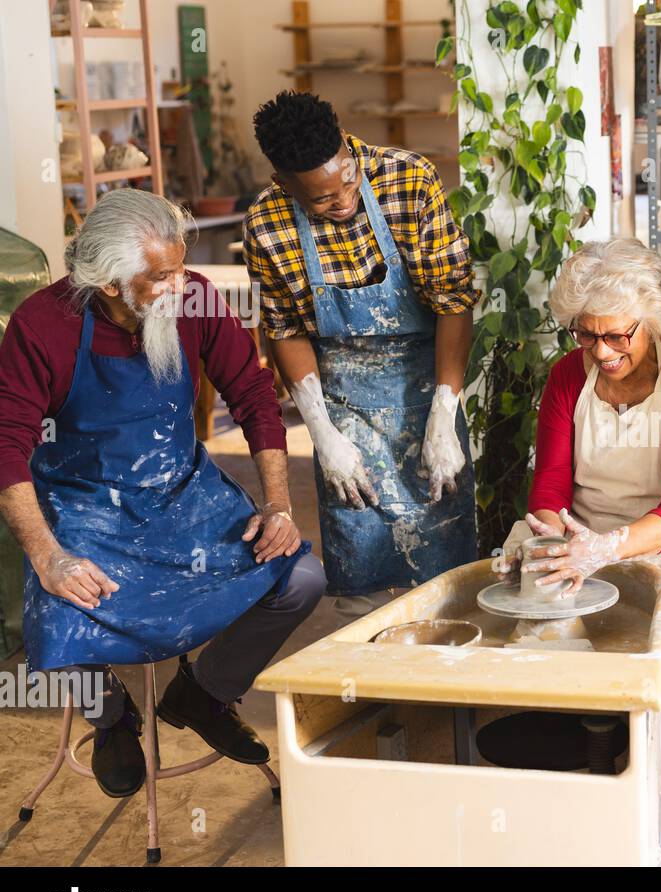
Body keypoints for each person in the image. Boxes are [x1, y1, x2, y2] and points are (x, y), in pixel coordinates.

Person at [0, 189, 325, 799]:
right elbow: (5, 446)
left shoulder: (194, 297)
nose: (180, 284)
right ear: (106, 281)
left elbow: (254, 397)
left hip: (182, 495)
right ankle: (111, 718)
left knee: (300, 578)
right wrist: (48, 554)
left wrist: (277, 503)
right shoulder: (42, 325)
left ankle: (203, 693)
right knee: (57, 617)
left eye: (180, 266)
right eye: (160, 276)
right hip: (85, 504)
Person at [492, 239, 661, 867]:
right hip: (579, 535)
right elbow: (549, 485)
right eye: (586, 335)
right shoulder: (570, 377)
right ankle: (578, 789)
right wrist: (551, 538)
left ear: (649, 321)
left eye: (618, 336)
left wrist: (613, 549)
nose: (601, 351)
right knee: (522, 630)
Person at [243, 91, 479, 619]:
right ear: (285, 184)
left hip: (428, 390)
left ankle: (447, 695)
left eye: (347, 179)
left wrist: (446, 414)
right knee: (361, 578)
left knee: (448, 575)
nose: (343, 201)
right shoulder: (266, 222)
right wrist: (322, 436)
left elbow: (454, 303)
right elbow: (285, 330)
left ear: (349, 147)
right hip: (341, 404)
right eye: (323, 201)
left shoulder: (409, 179)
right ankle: (373, 694)